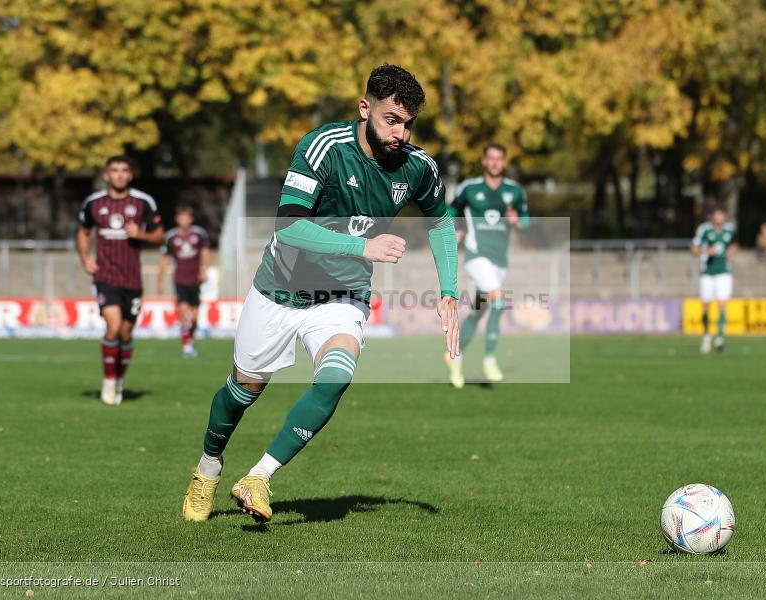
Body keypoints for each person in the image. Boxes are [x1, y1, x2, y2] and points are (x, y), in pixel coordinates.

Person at [181, 64, 460, 523]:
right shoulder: (323, 146)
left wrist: (449, 290)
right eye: (392, 119)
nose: (401, 133)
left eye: (409, 123)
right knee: (243, 390)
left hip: (342, 295)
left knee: (336, 376)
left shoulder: (417, 166)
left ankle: (259, 477)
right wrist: (363, 245)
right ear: (365, 108)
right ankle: (208, 467)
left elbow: (442, 221)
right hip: (280, 288)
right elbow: (288, 227)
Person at [76, 156, 164, 405]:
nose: (119, 175)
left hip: (132, 278)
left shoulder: (142, 202)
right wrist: (85, 258)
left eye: (124, 170)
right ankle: (108, 381)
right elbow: (83, 232)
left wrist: (142, 234)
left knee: (125, 335)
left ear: (130, 175)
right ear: (107, 175)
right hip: (105, 276)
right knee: (113, 327)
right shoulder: (93, 203)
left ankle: (119, 380)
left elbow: (159, 236)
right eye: (114, 170)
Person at [444, 143, 529, 387]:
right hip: (476, 256)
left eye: (498, 159)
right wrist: (456, 229)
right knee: (499, 301)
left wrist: (519, 221)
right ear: (484, 161)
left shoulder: (514, 191)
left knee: (479, 310)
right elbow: (451, 210)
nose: (494, 163)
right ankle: (490, 360)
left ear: (504, 162)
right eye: (490, 158)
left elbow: (525, 219)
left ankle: (455, 359)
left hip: (499, 261)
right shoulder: (470, 188)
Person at [157, 205, 211, 357]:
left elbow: (205, 253)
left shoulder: (199, 234)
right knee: (182, 311)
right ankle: (186, 345)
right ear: (177, 219)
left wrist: (204, 269)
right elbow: (165, 260)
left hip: (195, 280)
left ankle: (190, 339)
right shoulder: (171, 237)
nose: (184, 220)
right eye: (182, 217)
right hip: (180, 279)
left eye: (187, 217)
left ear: (191, 219)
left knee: (194, 317)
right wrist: (159, 281)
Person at [692, 206, 737, 353]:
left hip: (724, 272)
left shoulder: (730, 230)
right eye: (716, 215)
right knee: (706, 307)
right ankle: (706, 335)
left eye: (721, 215)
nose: (719, 218)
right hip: (707, 272)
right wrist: (706, 251)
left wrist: (731, 253)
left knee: (722, 304)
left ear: (724, 216)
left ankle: (719, 337)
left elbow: (733, 244)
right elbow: (694, 249)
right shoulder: (704, 230)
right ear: (712, 217)